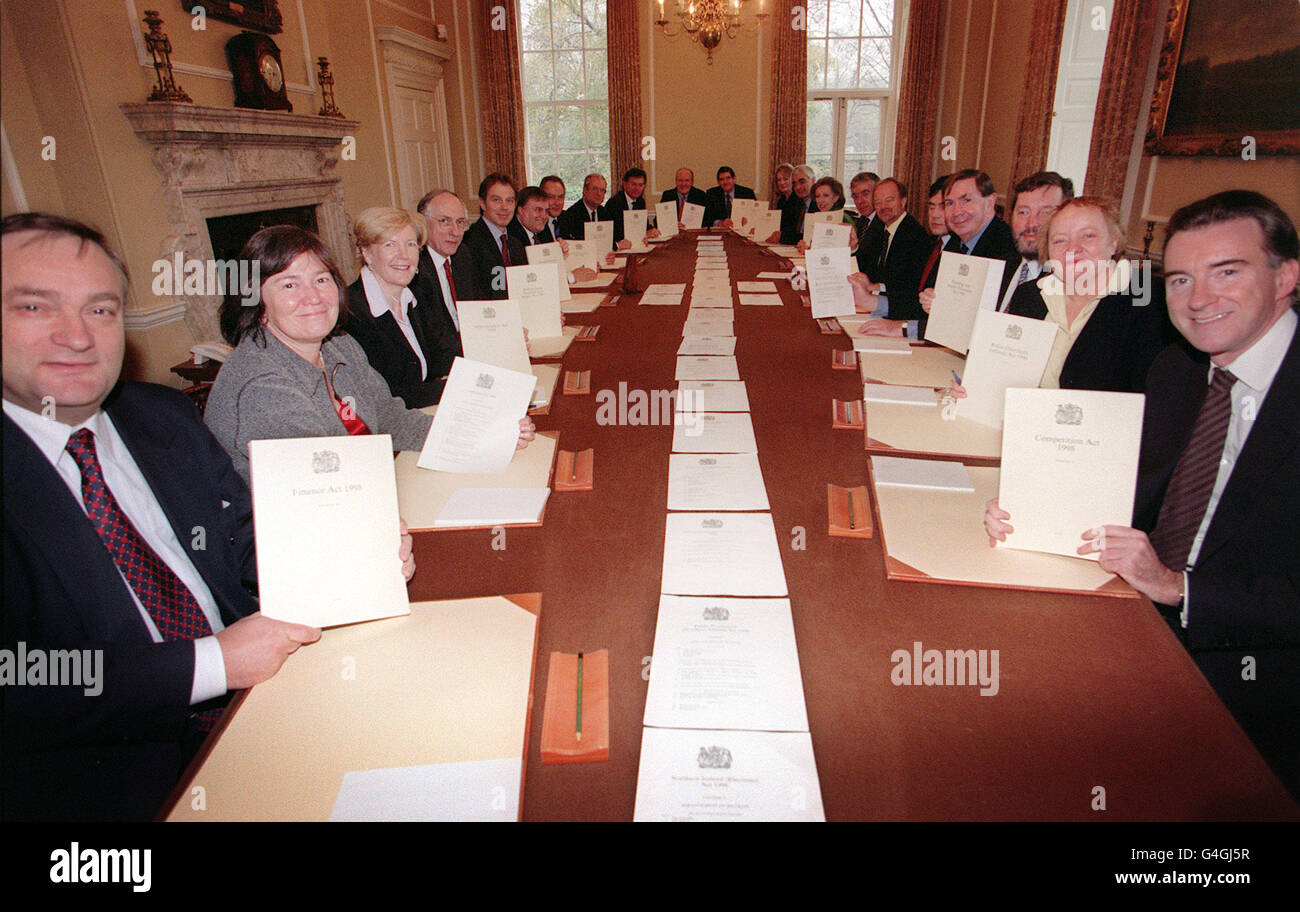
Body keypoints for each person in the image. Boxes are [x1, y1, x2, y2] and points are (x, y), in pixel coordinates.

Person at [1, 212, 329, 820]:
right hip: (110, 788)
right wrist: (210, 664)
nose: (77, 337)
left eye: (99, 309)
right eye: (34, 308)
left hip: (265, 705)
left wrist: (340, 550)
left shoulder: (161, 417)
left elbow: (243, 546)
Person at [985, 190, 1300, 795]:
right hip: (1129, 619)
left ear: (1286, 275)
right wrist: (1031, 504)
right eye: (1180, 279)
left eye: (1226, 273)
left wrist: (1177, 588)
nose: (1199, 299)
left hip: (1253, 685)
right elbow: (1132, 489)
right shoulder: (1178, 372)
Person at [204, 225, 534, 485]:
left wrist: (480, 434)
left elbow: (389, 417)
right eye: (289, 285)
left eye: (321, 279)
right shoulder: (263, 387)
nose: (313, 297)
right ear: (256, 302)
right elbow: (323, 489)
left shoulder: (338, 345)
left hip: (360, 490)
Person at [1005, 197, 1170, 392]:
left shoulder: (1151, 299)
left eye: (1088, 236)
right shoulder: (1030, 295)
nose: (1073, 248)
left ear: (1114, 243)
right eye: (1060, 240)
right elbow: (1005, 372)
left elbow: (1156, 397)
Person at [863, 169, 1019, 339]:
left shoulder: (1003, 247)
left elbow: (976, 325)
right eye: (950, 203)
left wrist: (904, 328)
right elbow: (926, 300)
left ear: (990, 202)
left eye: (966, 200)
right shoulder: (957, 242)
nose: (956, 211)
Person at [346, 206, 458, 409]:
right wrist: (452, 388)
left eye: (410, 244)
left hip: (427, 412)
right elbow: (381, 397)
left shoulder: (415, 297)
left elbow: (442, 355)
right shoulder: (350, 314)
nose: (404, 255)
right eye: (390, 245)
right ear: (367, 253)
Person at [853, 178, 930, 322]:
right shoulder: (884, 230)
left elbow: (908, 287)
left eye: (889, 200)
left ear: (903, 201)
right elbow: (872, 269)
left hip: (902, 316)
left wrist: (874, 288)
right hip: (884, 308)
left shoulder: (914, 235)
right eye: (878, 202)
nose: (883, 207)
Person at [998, 171, 1074, 312]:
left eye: (1046, 212)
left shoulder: (1072, 286)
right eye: (1023, 212)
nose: (1031, 224)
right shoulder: (999, 268)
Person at [414, 188, 475, 347]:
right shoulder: (415, 267)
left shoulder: (462, 255)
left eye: (460, 222)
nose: (455, 232)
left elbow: (475, 306)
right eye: (444, 221)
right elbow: (433, 336)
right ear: (423, 223)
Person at [460, 173, 528, 299]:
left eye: (509, 200)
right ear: (482, 203)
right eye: (496, 200)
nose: (504, 207)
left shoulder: (516, 245)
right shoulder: (468, 244)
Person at [796, 176, 857, 254]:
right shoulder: (818, 217)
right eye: (817, 196)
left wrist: (809, 251)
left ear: (835, 198)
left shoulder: (843, 219)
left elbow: (837, 254)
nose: (820, 200)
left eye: (826, 195)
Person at [606, 167, 661, 248]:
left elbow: (643, 224)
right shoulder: (614, 202)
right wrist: (642, 234)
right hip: (618, 247)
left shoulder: (640, 201)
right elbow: (615, 231)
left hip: (635, 245)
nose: (637, 188)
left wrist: (651, 230)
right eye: (633, 184)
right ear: (624, 184)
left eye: (640, 185)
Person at [771, 164, 816, 245]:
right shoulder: (799, 205)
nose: (798, 187)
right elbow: (790, 231)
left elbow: (811, 237)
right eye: (794, 184)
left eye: (802, 182)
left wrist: (782, 237)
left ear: (813, 180)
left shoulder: (819, 205)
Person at [556, 173, 608, 240]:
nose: (599, 194)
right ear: (584, 190)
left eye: (602, 190)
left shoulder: (605, 213)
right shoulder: (571, 215)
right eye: (595, 189)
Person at [539, 174, 567, 241]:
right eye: (551, 197)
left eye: (560, 197)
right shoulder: (536, 222)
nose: (557, 203)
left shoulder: (568, 218)